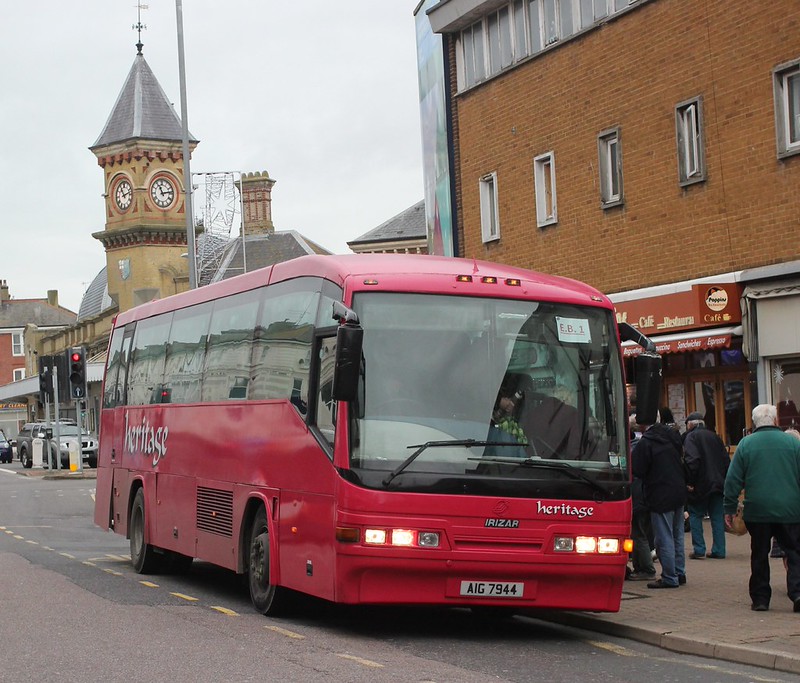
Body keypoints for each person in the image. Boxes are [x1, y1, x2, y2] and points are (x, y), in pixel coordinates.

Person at [723, 404, 800, 612]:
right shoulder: (793, 444)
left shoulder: (746, 445)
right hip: (790, 510)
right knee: (794, 552)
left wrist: (729, 507)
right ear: (775, 421)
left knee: (759, 554)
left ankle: (760, 599)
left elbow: (732, 480)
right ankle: (798, 593)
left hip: (757, 510)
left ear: (754, 422)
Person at [632, 414, 687, 588]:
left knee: (664, 537)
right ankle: (679, 572)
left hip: (659, 492)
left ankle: (670, 576)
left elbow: (638, 470)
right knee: (677, 535)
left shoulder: (646, 443)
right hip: (678, 490)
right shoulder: (671, 436)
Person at [683, 411, 730, 560]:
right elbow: (725, 461)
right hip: (718, 483)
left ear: (690, 424)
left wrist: (689, 481)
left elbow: (692, 461)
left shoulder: (691, 437)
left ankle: (699, 549)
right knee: (717, 516)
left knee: (695, 514)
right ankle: (719, 550)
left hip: (701, 484)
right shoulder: (715, 436)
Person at [627, 415, 656, 581]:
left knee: (638, 534)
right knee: (638, 532)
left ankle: (646, 568)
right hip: (645, 494)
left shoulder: (634, 448)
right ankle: (640, 567)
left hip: (637, 495)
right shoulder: (646, 444)